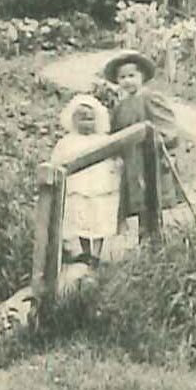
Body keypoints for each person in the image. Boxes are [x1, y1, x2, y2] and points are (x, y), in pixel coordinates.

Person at [103, 49, 183, 235]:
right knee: (138, 201)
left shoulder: (150, 98)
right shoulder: (120, 106)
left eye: (132, 75)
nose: (127, 81)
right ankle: (144, 237)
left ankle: (155, 238)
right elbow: (115, 133)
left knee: (152, 198)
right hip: (132, 161)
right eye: (122, 77)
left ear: (142, 76)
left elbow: (167, 126)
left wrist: (163, 145)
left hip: (150, 158)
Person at [52, 94, 120, 266]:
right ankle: (85, 252)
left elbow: (113, 158)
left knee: (99, 218)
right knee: (81, 217)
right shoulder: (67, 142)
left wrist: (115, 168)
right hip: (79, 186)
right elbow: (57, 161)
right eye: (82, 119)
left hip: (99, 186)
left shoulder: (103, 140)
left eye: (90, 119)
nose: (86, 124)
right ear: (73, 120)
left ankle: (96, 254)